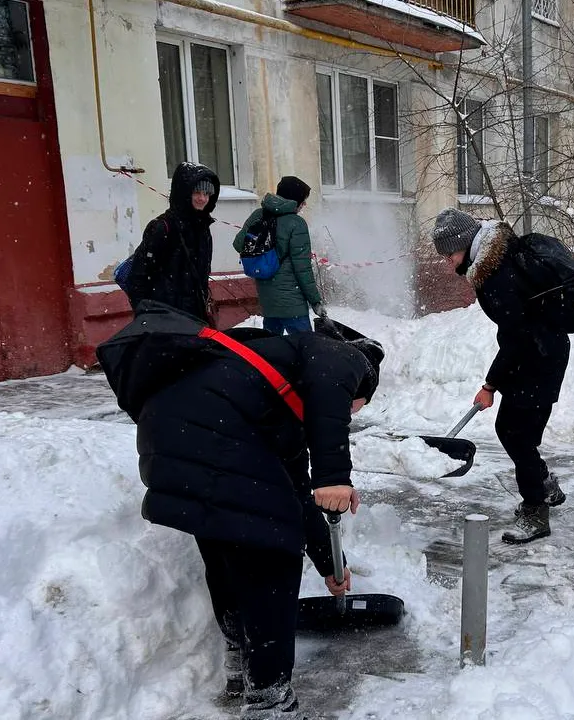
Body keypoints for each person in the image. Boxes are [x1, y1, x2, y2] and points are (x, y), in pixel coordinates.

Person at [96, 301, 385, 720]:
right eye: (358, 403)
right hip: (213, 440)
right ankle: (270, 702)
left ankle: (240, 660)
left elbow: (296, 490)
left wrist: (329, 563)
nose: (353, 410)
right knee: (272, 560)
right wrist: (334, 474)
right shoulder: (341, 355)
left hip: (171, 444)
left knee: (227, 552)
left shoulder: (268, 383)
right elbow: (331, 386)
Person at [430, 208, 569, 545]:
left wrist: (490, 385)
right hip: (539, 352)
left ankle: (536, 511)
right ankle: (545, 485)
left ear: (465, 243)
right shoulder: (499, 255)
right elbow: (518, 332)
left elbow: (515, 336)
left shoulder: (496, 276)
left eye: (450, 254)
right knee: (514, 431)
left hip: (538, 357)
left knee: (517, 435)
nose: (449, 262)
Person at [125, 162, 220, 324]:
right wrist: (147, 316)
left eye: (206, 193)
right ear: (184, 193)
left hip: (195, 317)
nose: (202, 198)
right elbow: (137, 277)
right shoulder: (163, 227)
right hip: (164, 318)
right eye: (197, 192)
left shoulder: (203, 228)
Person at [233, 176, 326, 334]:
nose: (304, 204)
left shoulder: (258, 215)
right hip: (292, 303)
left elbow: (238, 244)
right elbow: (303, 269)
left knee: (272, 350)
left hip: (267, 299)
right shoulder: (297, 224)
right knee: (305, 349)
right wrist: (315, 301)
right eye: (303, 200)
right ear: (295, 200)